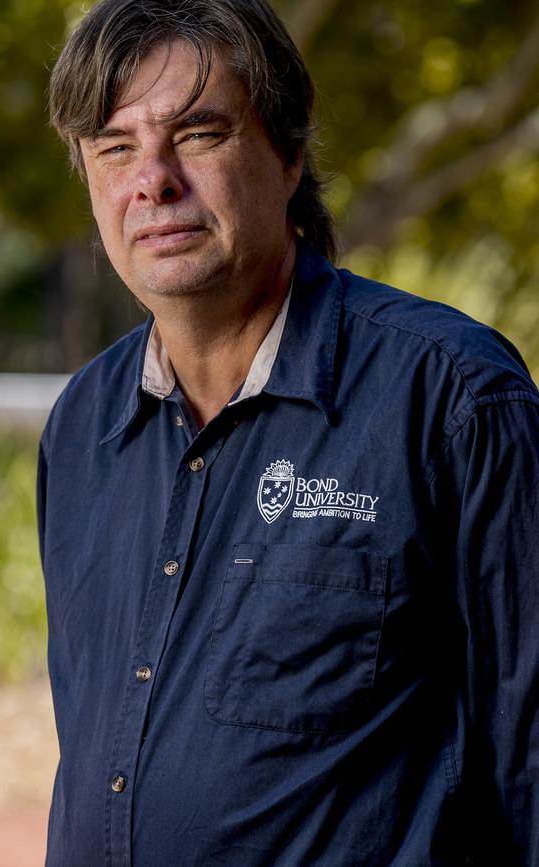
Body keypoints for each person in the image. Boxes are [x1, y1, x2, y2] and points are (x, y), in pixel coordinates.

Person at [37, 1, 539, 864]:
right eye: (114, 147)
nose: (152, 180)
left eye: (197, 134)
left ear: (288, 153)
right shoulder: (81, 426)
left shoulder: (453, 397)